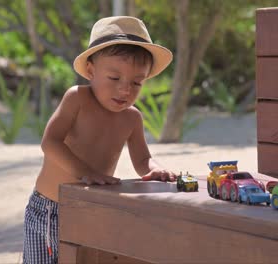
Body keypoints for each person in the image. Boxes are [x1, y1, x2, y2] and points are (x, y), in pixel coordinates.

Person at [22, 16, 177, 264]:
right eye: (114, 79)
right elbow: (50, 142)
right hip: (51, 208)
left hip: (92, 205)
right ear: (92, 71)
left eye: (136, 82)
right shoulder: (77, 99)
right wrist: (85, 172)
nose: (125, 90)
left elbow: (142, 159)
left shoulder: (132, 118)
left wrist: (155, 169)